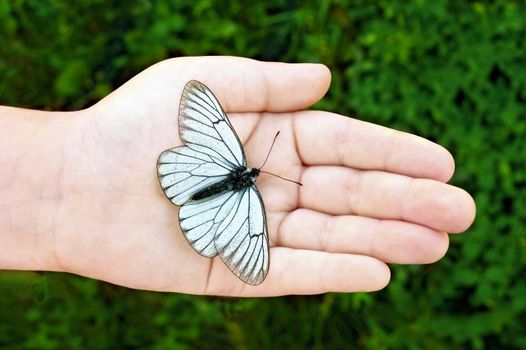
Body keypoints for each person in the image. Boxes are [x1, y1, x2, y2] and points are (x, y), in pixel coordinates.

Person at [0, 56, 476, 296]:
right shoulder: (251, 202)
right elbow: (248, 239)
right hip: (212, 211)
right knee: (244, 235)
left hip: (198, 169)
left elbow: (208, 124)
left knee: (236, 223)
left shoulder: (231, 151)